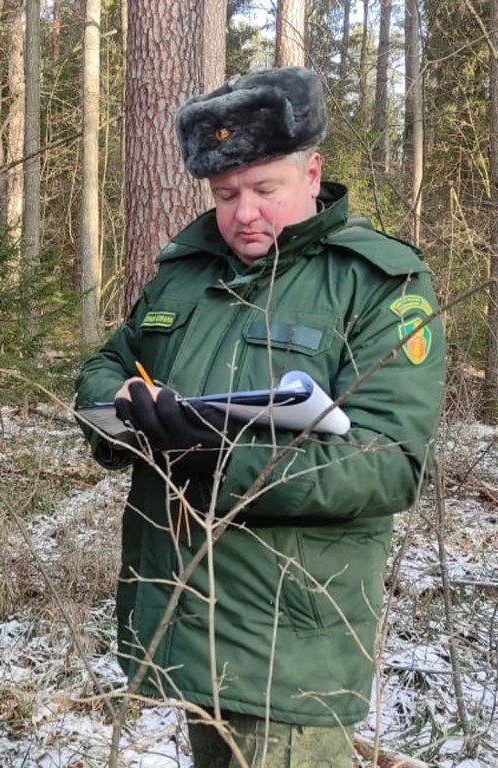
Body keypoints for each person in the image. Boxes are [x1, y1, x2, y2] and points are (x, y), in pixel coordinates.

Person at [75, 67, 445, 767]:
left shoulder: (377, 284)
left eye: (265, 190)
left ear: (312, 173)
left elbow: (388, 463)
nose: (244, 213)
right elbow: (109, 360)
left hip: (290, 650)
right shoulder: (185, 273)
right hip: (184, 630)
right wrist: (122, 399)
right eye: (225, 194)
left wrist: (217, 460)